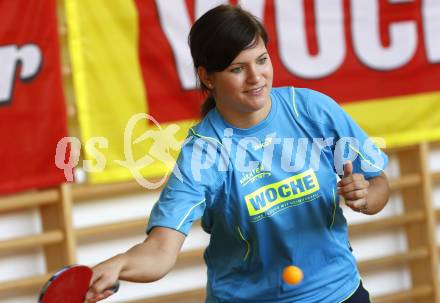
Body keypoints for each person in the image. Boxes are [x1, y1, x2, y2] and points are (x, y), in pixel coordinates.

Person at [85, 4, 389, 303]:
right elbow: (161, 250)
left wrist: (365, 198)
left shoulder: (311, 110)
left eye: (262, 60)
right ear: (207, 77)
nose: (256, 77)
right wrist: (120, 265)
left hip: (338, 293)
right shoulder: (202, 154)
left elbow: (378, 185)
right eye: (237, 68)